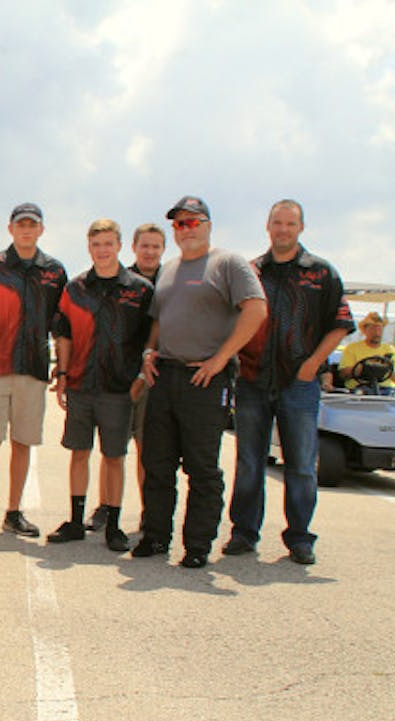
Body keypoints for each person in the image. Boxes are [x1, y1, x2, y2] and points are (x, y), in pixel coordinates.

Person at [133, 196, 267, 568]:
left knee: (202, 468)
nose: (186, 229)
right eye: (179, 224)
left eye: (193, 222)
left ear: (208, 225)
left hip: (204, 379)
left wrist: (221, 358)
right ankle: (156, 537)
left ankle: (197, 546)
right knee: (158, 464)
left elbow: (256, 309)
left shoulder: (228, 263)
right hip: (166, 375)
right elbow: (159, 319)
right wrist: (148, 352)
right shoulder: (169, 268)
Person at [224, 199, 352, 566]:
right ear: (268, 226)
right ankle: (244, 533)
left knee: (299, 463)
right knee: (249, 461)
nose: (283, 229)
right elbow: (233, 319)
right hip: (251, 379)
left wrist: (313, 363)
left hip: (298, 382)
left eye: (290, 224)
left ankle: (299, 538)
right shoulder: (251, 272)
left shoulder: (321, 273)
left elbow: (341, 323)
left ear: (301, 228)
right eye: (277, 223)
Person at [0, 202, 67, 536]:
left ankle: (14, 513)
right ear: (11, 229)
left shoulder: (54, 272)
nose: (26, 229)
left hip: (33, 370)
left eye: (33, 224)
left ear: (41, 230)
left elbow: (61, 326)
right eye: (21, 224)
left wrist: (62, 369)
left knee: (23, 443)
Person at [49, 219, 153, 551]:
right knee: (79, 453)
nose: (103, 250)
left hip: (119, 388)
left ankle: (113, 526)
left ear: (119, 246)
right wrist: (63, 376)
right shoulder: (75, 289)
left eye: (109, 244)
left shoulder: (140, 290)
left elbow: (151, 337)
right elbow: (63, 334)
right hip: (81, 384)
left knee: (114, 457)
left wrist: (139, 378)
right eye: (96, 244)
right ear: (89, 247)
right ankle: (76, 521)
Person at [87, 223, 165, 532]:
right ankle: (106, 506)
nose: (150, 251)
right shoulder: (119, 279)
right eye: (144, 245)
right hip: (115, 381)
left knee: (148, 450)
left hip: (151, 379)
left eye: (156, 246)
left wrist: (144, 376)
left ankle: (148, 511)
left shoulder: (169, 283)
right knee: (112, 450)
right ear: (132, 247)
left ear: (163, 249)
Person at [338, 312, 395, 392]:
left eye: (379, 328)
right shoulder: (352, 348)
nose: (377, 333)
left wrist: (387, 368)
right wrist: (366, 368)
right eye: (373, 328)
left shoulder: (390, 349)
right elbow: (343, 373)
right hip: (360, 389)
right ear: (365, 330)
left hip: (385, 390)